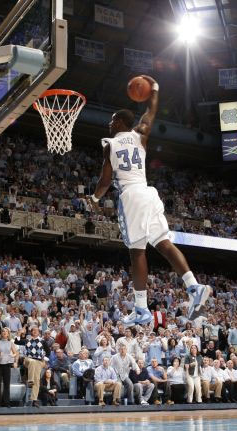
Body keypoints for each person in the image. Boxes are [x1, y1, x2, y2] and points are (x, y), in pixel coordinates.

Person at [87, 74, 212, 325]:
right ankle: (194, 286)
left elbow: (105, 179)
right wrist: (154, 85)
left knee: (137, 251)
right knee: (164, 243)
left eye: (112, 120)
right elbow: (151, 108)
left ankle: (142, 308)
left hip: (132, 196)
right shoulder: (141, 133)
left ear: (121, 121)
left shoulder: (110, 144)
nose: (109, 124)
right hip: (148, 192)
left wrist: (95, 199)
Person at [0, 327, 18, 407]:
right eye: (3, 331)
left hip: (7, 364)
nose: (4, 332)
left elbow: (16, 353)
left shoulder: (11, 342)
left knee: (6, 384)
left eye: (6, 331)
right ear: (1, 333)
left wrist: (13, 355)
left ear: (8, 334)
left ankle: (6, 402)